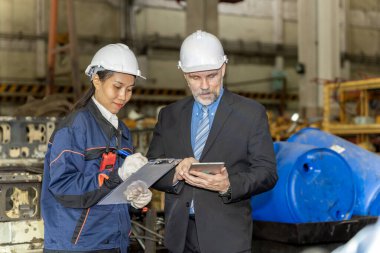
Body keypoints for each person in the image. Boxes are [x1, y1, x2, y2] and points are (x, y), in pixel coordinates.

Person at [147, 30, 278, 253]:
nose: (205, 85)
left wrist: (229, 185)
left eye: (212, 76)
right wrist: (176, 173)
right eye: (195, 78)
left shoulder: (250, 113)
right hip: (180, 238)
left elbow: (267, 172)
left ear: (224, 69)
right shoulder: (169, 115)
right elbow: (151, 167)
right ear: (184, 75)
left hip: (227, 238)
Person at [41, 43, 152, 253]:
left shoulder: (122, 132)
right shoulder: (75, 128)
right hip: (77, 245)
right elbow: (64, 188)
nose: (123, 96)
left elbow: (111, 192)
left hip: (114, 241)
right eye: (117, 87)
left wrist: (134, 198)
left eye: (129, 89)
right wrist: (117, 175)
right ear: (96, 80)